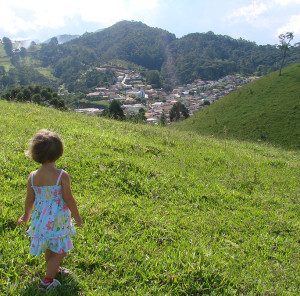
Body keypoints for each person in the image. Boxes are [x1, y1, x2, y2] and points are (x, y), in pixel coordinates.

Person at [18, 129, 83, 292]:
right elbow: (69, 199)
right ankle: (47, 281)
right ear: (59, 153)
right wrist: (77, 217)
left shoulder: (33, 176)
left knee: (50, 246)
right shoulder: (62, 175)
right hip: (57, 220)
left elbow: (29, 199)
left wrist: (26, 217)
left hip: (41, 220)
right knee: (60, 250)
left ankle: (53, 270)